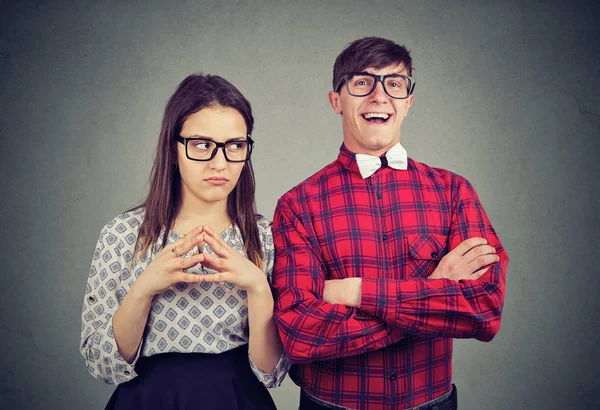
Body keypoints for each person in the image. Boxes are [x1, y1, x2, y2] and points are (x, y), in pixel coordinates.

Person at [272, 37, 509, 410]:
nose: (380, 96)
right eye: (362, 83)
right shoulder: (297, 206)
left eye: (394, 84)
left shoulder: (453, 192)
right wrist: (432, 289)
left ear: (408, 102)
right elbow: (301, 334)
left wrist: (355, 292)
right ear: (336, 101)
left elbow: (484, 309)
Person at [80, 74, 289, 410]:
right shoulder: (122, 234)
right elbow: (102, 363)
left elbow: (273, 373)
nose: (220, 163)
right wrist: (145, 287)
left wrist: (257, 287)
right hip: (147, 401)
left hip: (238, 400)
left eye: (235, 145)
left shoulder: (265, 237)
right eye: (202, 145)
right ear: (173, 150)